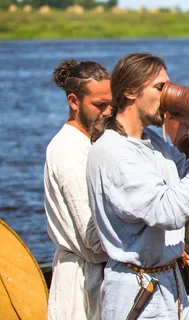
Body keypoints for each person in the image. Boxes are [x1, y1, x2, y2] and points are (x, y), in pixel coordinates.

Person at [86, 53, 189, 320]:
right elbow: (170, 212)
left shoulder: (153, 143)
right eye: (160, 88)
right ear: (130, 92)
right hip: (137, 292)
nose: (168, 95)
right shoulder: (115, 153)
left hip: (168, 283)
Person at [44, 59, 111, 319]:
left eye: (110, 104)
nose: (107, 112)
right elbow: (93, 238)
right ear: (74, 101)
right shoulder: (70, 150)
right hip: (80, 284)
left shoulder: (88, 143)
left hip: (92, 276)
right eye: (99, 105)